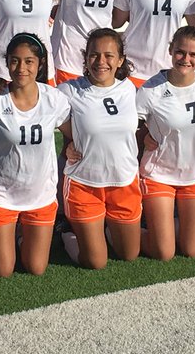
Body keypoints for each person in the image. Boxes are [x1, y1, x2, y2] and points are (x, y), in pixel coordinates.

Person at [0, 33, 71, 277]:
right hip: (2, 193)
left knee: (36, 268)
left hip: (40, 195)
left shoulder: (54, 100)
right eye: (15, 61)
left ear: (39, 65)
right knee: (3, 269)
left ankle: (12, 238)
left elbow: (72, 133)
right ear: (7, 63)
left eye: (29, 61)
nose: (21, 68)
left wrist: (71, 148)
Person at [57, 28, 143, 268]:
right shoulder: (70, 90)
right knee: (95, 262)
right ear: (86, 58)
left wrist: (151, 139)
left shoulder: (130, 90)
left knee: (129, 254)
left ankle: (103, 231)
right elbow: (43, 110)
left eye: (108, 56)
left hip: (123, 181)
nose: (101, 62)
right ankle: (68, 235)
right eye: (94, 55)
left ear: (120, 60)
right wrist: (73, 137)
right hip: (85, 182)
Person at [136, 26, 195, 260]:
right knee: (164, 252)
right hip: (159, 174)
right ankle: (120, 231)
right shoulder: (151, 89)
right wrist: (143, 135)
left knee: (191, 251)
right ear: (170, 50)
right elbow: (130, 124)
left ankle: (169, 226)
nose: (186, 59)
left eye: (193, 54)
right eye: (180, 52)